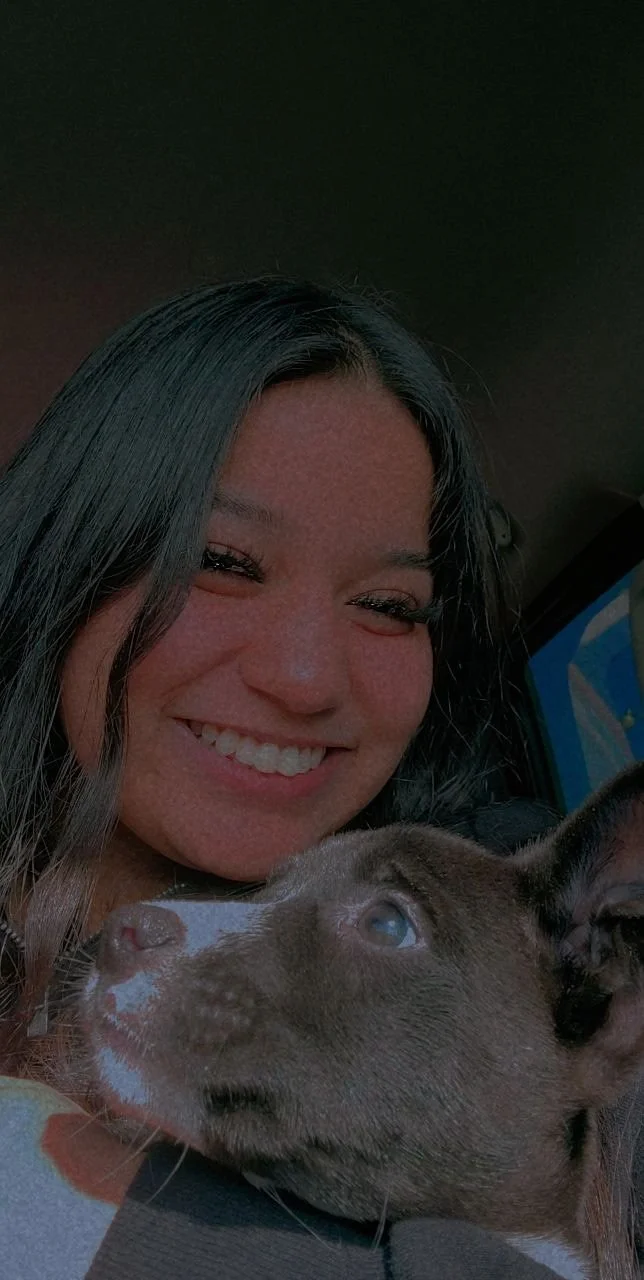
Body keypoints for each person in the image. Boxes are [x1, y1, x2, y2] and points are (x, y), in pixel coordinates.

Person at [0, 277, 562, 1279]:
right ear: (68, 557)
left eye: (390, 605)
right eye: (221, 559)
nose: (304, 676)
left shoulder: (506, 965)